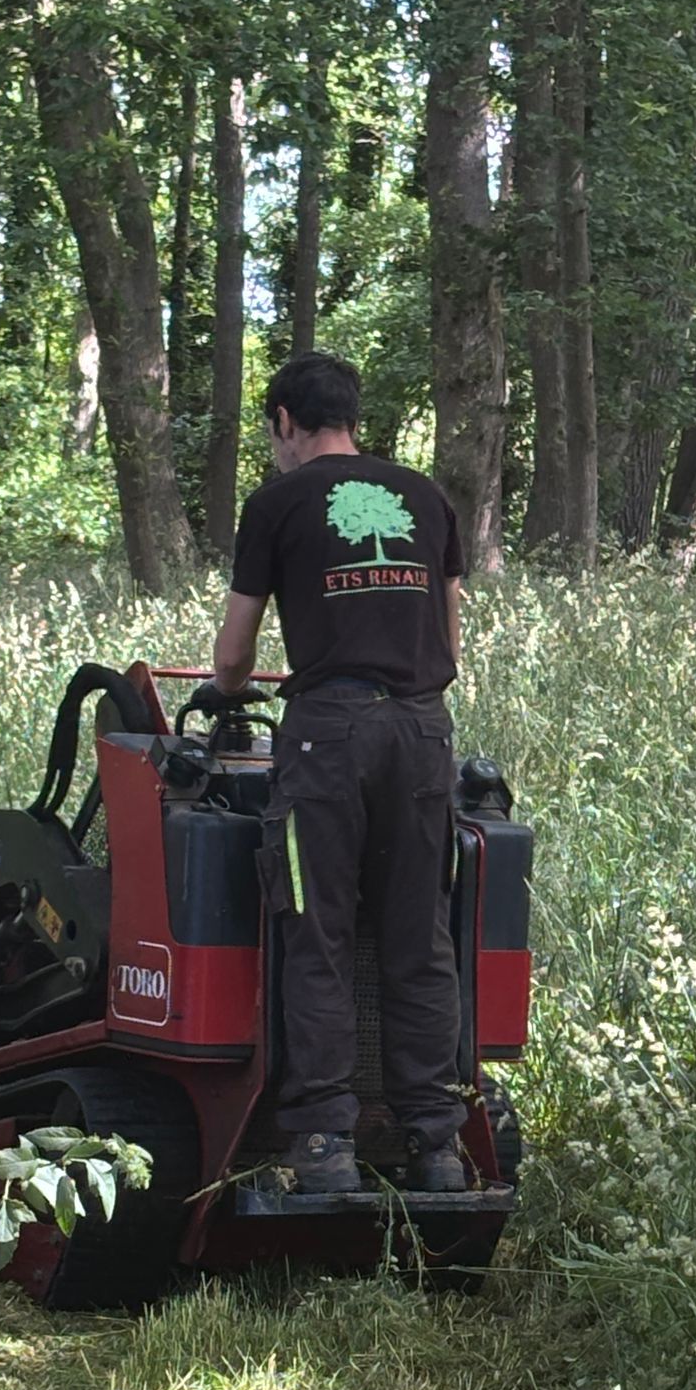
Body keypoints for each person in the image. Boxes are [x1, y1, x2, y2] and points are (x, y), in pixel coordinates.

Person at [194, 352, 470, 1194]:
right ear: (352, 416)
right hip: (423, 734)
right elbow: (451, 642)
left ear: (284, 420)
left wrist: (228, 689)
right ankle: (437, 1147)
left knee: (319, 935)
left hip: (328, 740)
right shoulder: (424, 498)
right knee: (420, 938)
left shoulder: (275, 504)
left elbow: (235, 657)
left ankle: (323, 1145)